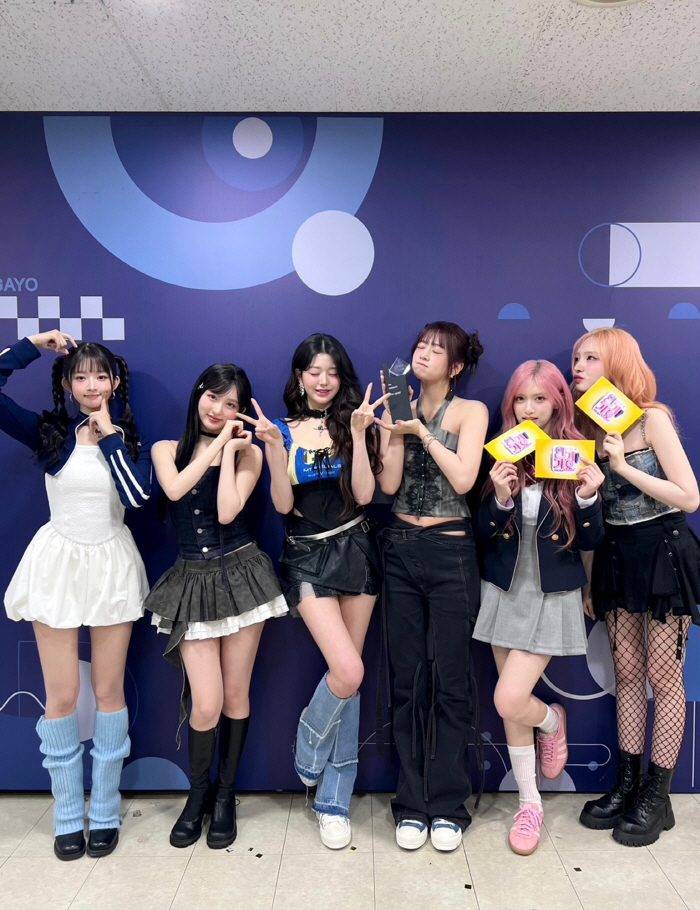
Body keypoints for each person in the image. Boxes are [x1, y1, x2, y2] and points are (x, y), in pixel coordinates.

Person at [0, 330, 151, 861]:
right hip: (58, 566)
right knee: (61, 696)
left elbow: (137, 495)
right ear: (67, 384)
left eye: (100, 375)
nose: (91, 384)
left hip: (112, 566)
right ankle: (67, 813)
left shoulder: (130, 440)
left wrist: (109, 436)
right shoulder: (50, 434)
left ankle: (104, 810)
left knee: (109, 693)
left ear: (115, 381)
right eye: (80, 376)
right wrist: (30, 345)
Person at [238, 333, 384, 849]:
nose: (323, 381)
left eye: (332, 372)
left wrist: (360, 435)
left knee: (350, 680)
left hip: (358, 549)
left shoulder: (356, 423)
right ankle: (309, 742)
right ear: (299, 377)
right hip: (306, 555)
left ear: (342, 377)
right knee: (348, 671)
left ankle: (333, 802)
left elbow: (365, 494)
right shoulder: (278, 429)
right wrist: (275, 450)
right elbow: (282, 506)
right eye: (314, 371)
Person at [146, 364, 287, 850]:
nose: (218, 409)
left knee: (234, 695)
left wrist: (229, 451)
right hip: (192, 580)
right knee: (205, 703)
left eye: (231, 405)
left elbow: (227, 511)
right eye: (213, 397)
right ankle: (197, 795)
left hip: (242, 574)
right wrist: (214, 447)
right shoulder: (165, 450)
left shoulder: (248, 454)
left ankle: (224, 796)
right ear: (198, 395)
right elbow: (174, 489)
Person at [572, 327, 700, 846]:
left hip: (663, 551)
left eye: (590, 358)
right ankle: (627, 784)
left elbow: (688, 496)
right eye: (577, 358)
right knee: (626, 673)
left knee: (664, 677)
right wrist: (588, 581)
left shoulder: (651, 419)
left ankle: (657, 795)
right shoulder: (588, 428)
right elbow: (592, 513)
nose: (578, 366)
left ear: (617, 363)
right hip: (616, 555)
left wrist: (623, 466)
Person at [474, 360, 605, 855]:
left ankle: (551, 720)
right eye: (520, 399)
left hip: (553, 590)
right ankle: (530, 804)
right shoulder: (502, 453)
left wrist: (588, 498)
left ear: (557, 403)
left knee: (510, 699)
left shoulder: (576, 455)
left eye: (540, 399)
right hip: (504, 587)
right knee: (511, 704)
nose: (529, 409)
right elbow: (480, 531)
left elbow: (591, 540)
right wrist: (500, 497)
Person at [375, 321, 486, 852]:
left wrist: (421, 432)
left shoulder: (470, 412)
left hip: (450, 551)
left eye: (436, 350)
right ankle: (410, 803)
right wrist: (388, 431)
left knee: (451, 680)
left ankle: (447, 804)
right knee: (408, 679)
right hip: (399, 547)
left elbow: (464, 480)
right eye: (420, 345)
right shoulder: (398, 406)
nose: (423, 354)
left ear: (456, 365)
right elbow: (389, 485)